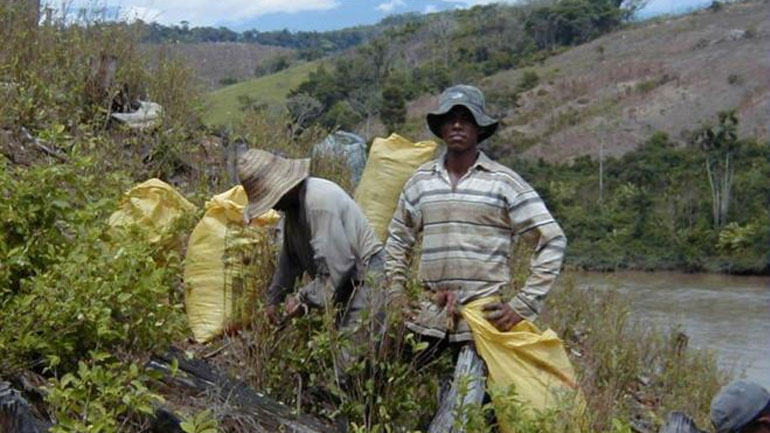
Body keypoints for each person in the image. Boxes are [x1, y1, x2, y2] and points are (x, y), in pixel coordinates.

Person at [384, 84, 567, 427]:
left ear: (479, 128)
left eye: (466, 118)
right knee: (404, 404)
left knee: (482, 415)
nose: (457, 125)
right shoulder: (420, 181)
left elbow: (552, 240)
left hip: (483, 325)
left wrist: (523, 305)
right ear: (440, 127)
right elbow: (397, 240)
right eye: (450, 118)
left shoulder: (503, 182)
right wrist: (396, 293)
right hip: (427, 319)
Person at [238, 149, 384, 367]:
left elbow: (338, 267)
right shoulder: (293, 211)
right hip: (347, 282)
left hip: (366, 277)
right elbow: (289, 261)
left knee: (350, 360)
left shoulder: (318, 202)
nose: (272, 207)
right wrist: (274, 300)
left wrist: (302, 299)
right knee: (341, 351)